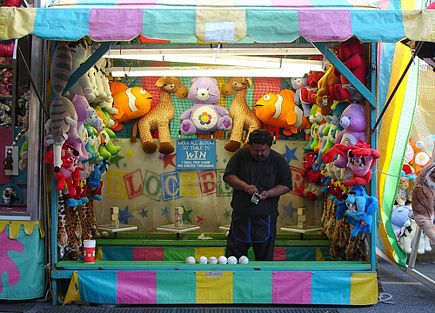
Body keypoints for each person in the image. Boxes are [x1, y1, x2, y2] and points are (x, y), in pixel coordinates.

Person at [223, 129, 293, 261]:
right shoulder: (240, 156)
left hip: (265, 219)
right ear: (249, 145)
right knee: (232, 259)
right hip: (240, 217)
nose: (259, 153)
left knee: (264, 259)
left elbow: (286, 185)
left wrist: (270, 193)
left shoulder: (278, 161)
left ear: (270, 146)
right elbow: (228, 176)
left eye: (263, 150)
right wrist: (244, 186)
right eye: (255, 150)